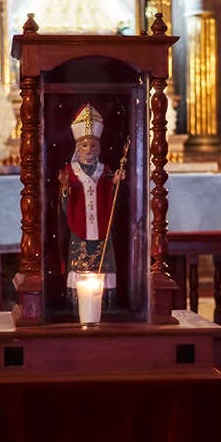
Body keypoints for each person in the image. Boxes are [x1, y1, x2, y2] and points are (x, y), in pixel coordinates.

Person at [57, 104, 125, 303]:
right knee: (80, 266)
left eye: (93, 146)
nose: (89, 150)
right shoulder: (70, 171)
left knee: (103, 266)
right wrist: (65, 189)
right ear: (77, 148)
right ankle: (78, 304)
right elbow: (63, 206)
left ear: (99, 148)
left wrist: (115, 183)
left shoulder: (105, 170)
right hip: (79, 229)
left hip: (103, 228)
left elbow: (114, 203)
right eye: (84, 146)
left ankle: (105, 304)